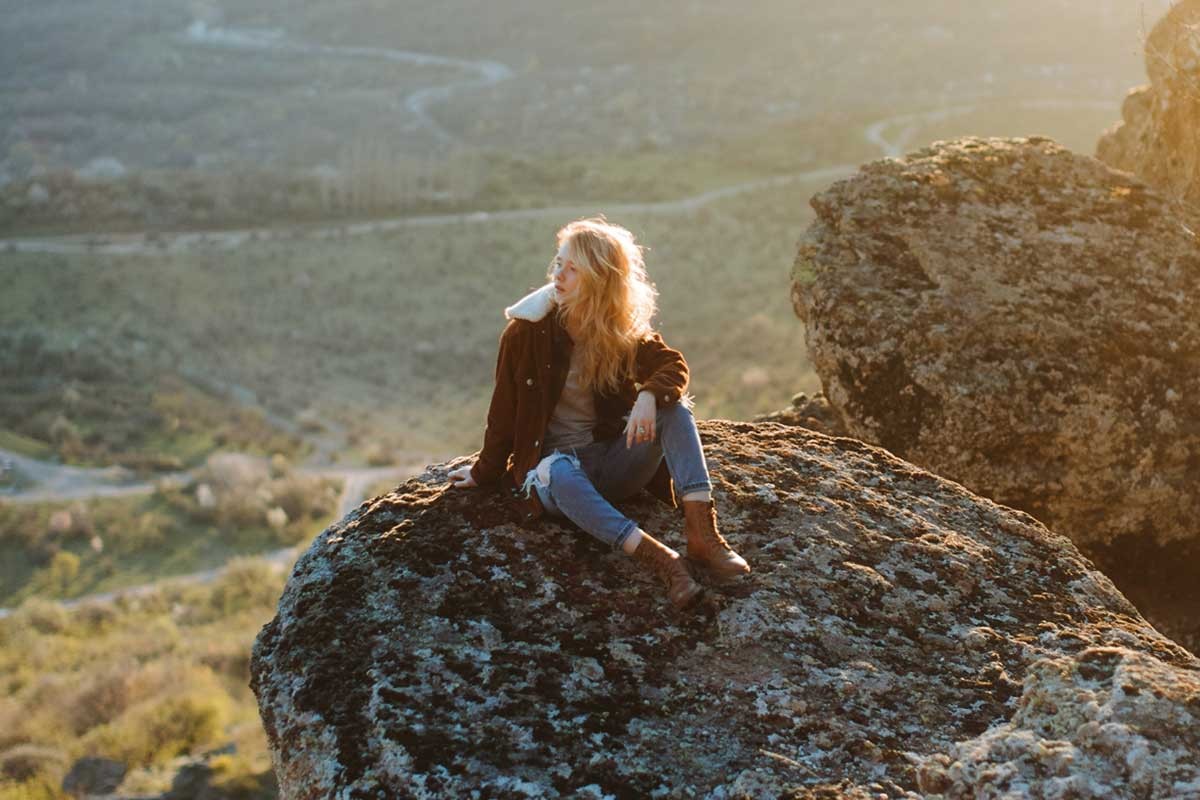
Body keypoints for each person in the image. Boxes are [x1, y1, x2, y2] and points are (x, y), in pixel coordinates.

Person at [448, 217, 750, 609]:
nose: (559, 275)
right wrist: (482, 472)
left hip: (611, 462)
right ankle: (664, 560)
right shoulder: (526, 333)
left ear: (600, 278)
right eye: (558, 264)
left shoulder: (618, 326)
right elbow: (503, 412)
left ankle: (701, 534)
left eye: (573, 269)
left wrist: (648, 396)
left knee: (674, 410)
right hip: (557, 477)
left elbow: (672, 366)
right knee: (557, 470)